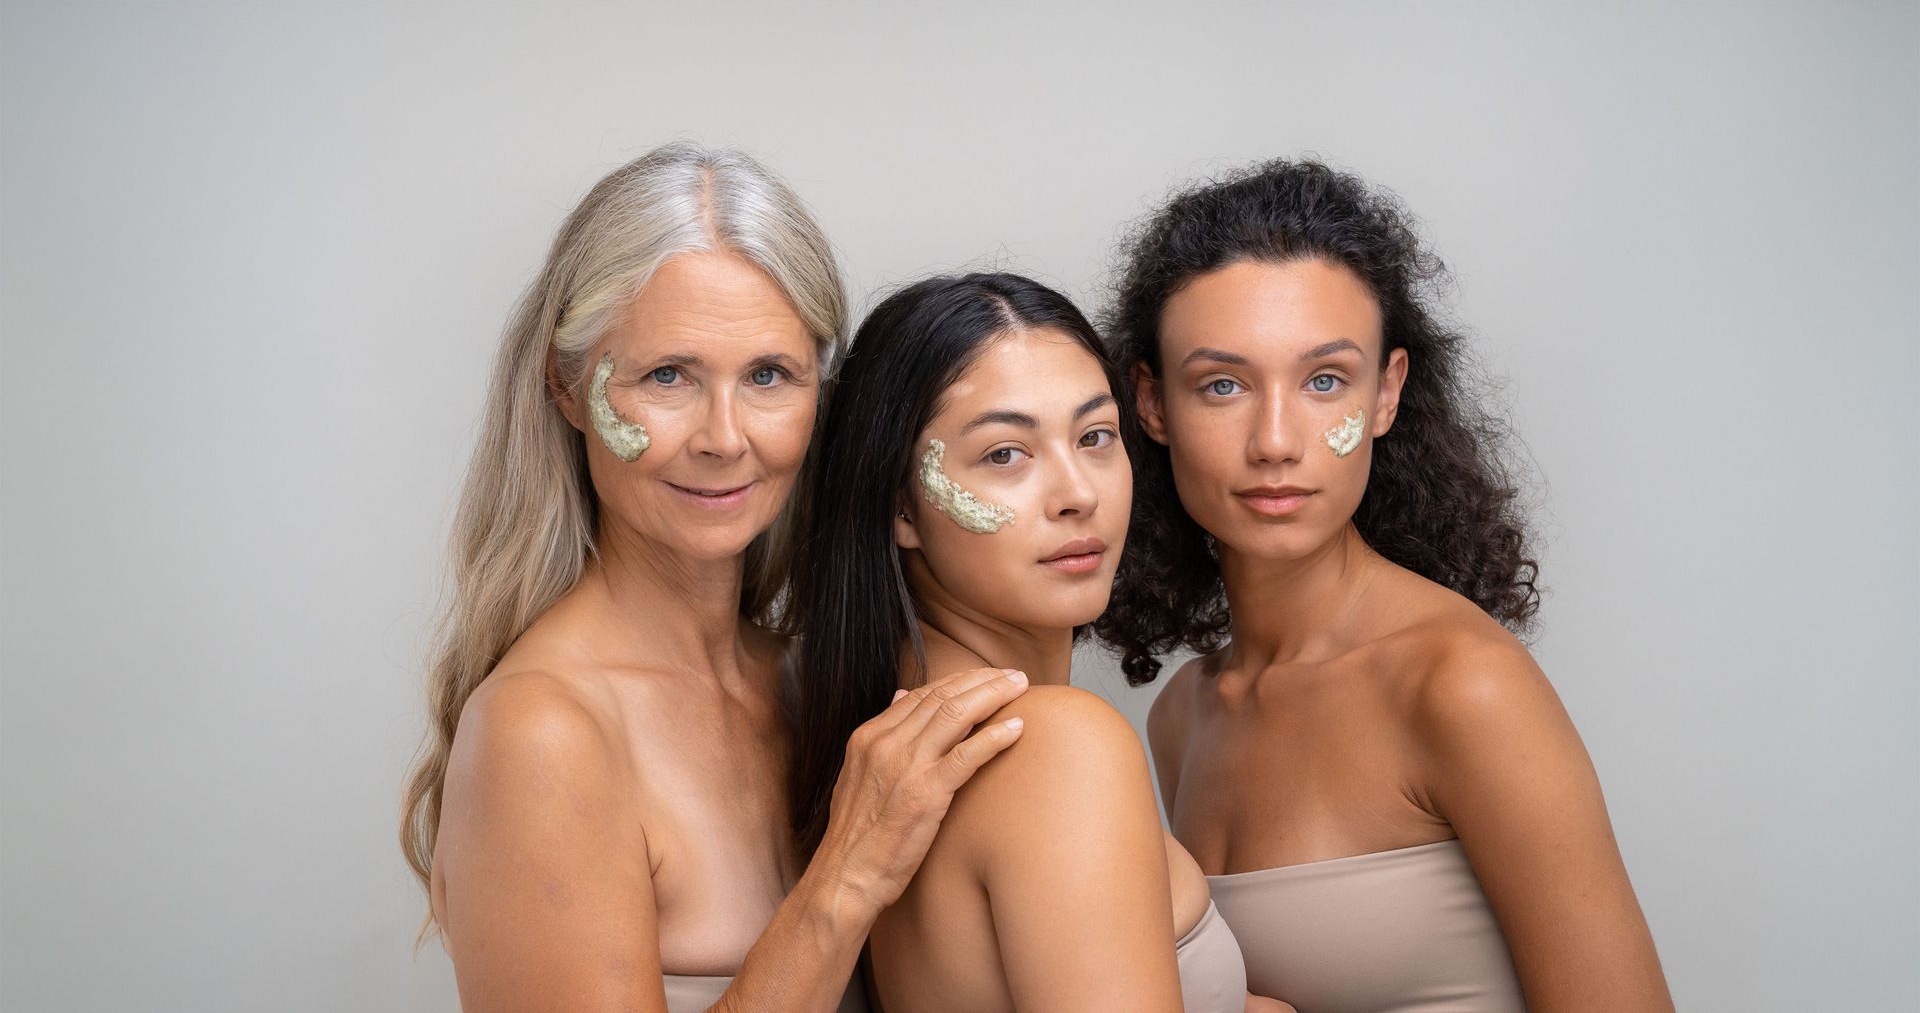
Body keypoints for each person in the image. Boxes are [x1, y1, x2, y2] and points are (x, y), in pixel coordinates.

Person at [400, 143, 1031, 1013]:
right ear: (567, 386)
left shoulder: (811, 678)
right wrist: (846, 875)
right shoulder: (543, 732)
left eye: (769, 376)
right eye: (669, 377)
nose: (725, 438)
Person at [1097, 158, 1675, 1012]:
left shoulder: (1460, 685)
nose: (1275, 440)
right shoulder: (1184, 714)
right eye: (1222, 385)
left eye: (1325, 381)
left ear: (1386, 394)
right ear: (1152, 405)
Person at [789, 272, 1289, 1013]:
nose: (1077, 493)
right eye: (1004, 455)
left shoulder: (898, 719)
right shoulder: (1052, 746)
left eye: (1095, 437)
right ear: (901, 504)